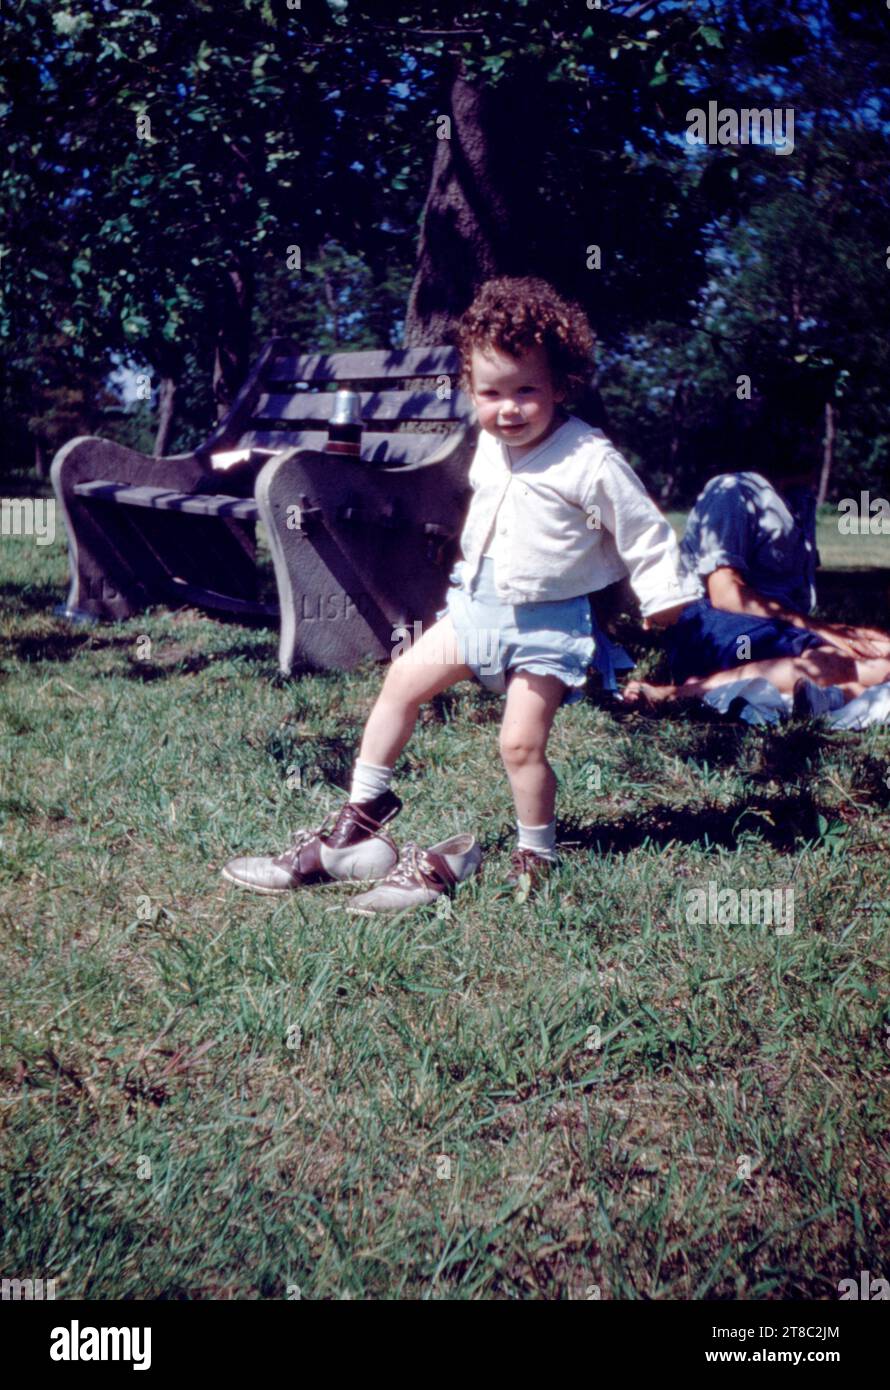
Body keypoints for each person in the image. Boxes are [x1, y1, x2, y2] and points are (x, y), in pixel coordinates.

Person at [222, 276, 698, 911]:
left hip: (547, 624)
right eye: (491, 392)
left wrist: (664, 593)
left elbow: (641, 526)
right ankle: (363, 815)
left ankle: (537, 855)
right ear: (470, 390)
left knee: (519, 744)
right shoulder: (490, 448)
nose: (509, 409)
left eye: (527, 390)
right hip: (475, 609)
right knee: (402, 682)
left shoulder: (588, 458)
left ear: (561, 385)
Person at [624, 386, 890, 715]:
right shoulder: (733, 491)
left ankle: (828, 695)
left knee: (881, 653)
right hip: (712, 625)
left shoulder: (798, 500)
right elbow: (726, 594)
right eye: (805, 433)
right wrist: (820, 630)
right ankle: (679, 693)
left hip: (775, 629)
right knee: (831, 661)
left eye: (814, 433)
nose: (816, 444)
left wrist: (840, 632)